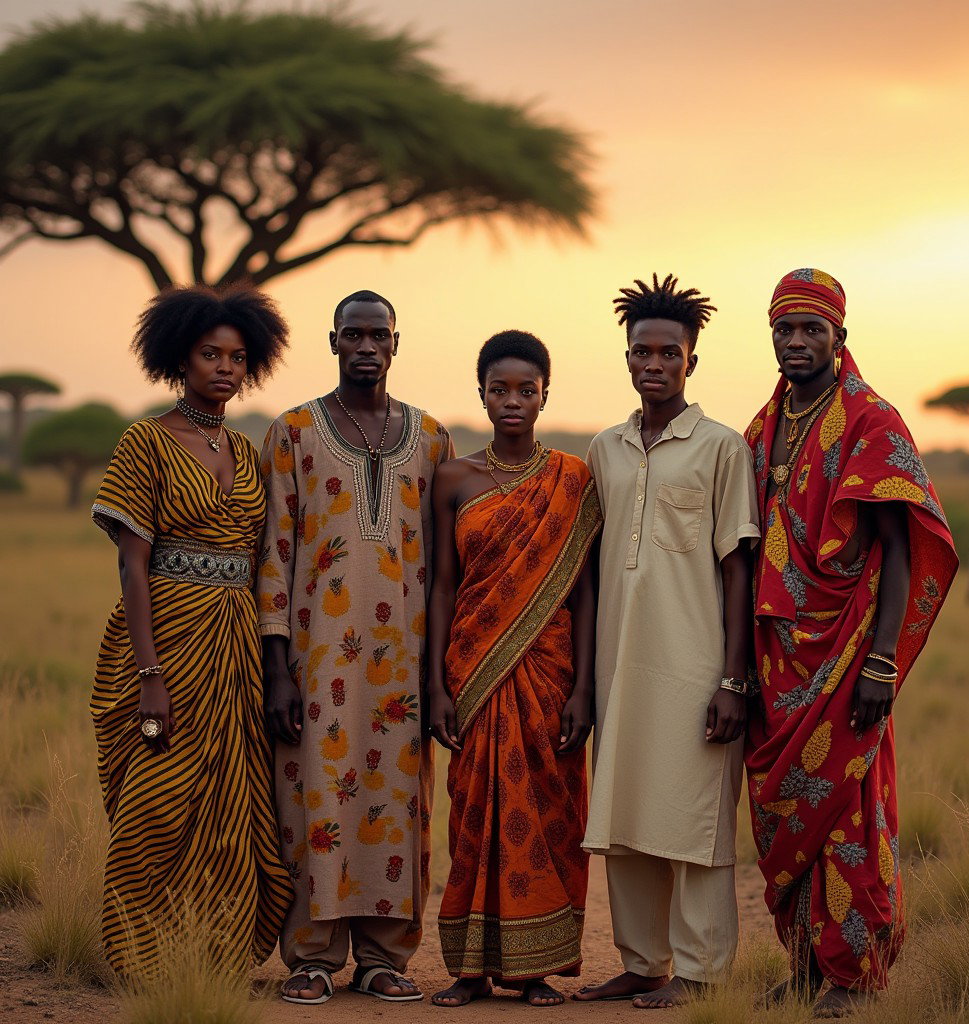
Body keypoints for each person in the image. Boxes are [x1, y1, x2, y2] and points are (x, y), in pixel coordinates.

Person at [744, 269, 958, 1017]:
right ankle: (803, 964)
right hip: (778, 662)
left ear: (841, 336)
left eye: (812, 330)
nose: (797, 342)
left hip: (847, 655)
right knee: (784, 818)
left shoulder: (873, 420)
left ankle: (851, 974)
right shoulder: (764, 425)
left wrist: (881, 660)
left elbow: (900, 549)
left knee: (849, 813)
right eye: (785, 329)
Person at [90, 284, 293, 976]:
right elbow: (132, 566)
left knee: (231, 803)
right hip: (166, 637)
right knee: (156, 797)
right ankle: (138, 956)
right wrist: (150, 676)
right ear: (180, 357)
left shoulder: (246, 447)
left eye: (238, 357)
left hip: (235, 641)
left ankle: (213, 956)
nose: (226, 368)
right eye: (211, 354)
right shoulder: (145, 440)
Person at [258, 289, 454, 1005]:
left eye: (379, 335)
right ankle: (312, 954)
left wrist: (440, 677)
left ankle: (382, 955)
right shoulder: (293, 432)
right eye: (353, 335)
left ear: (397, 344)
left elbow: (445, 567)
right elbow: (275, 554)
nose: (366, 346)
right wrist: (277, 668)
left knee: (396, 802)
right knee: (312, 799)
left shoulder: (432, 439)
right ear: (332, 341)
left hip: (403, 662)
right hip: (318, 661)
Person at [575, 274, 760, 1009]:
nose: (653, 364)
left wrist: (733, 680)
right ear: (626, 359)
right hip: (618, 664)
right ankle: (643, 961)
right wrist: (585, 680)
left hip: (695, 667)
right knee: (625, 815)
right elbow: (591, 567)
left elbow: (737, 567)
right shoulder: (605, 449)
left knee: (694, 819)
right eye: (640, 352)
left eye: (668, 353)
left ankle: (701, 971)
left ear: (692, 362)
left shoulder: (722, 448)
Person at [427, 331, 602, 1008]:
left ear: (545, 394)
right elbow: (443, 585)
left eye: (526, 389)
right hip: (472, 670)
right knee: (472, 811)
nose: (512, 401)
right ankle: (470, 971)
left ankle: (535, 968)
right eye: (499, 389)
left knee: (550, 809)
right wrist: (436, 684)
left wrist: (584, 688)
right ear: (482, 394)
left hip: (550, 674)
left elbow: (583, 591)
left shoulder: (572, 478)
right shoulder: (454, 478)